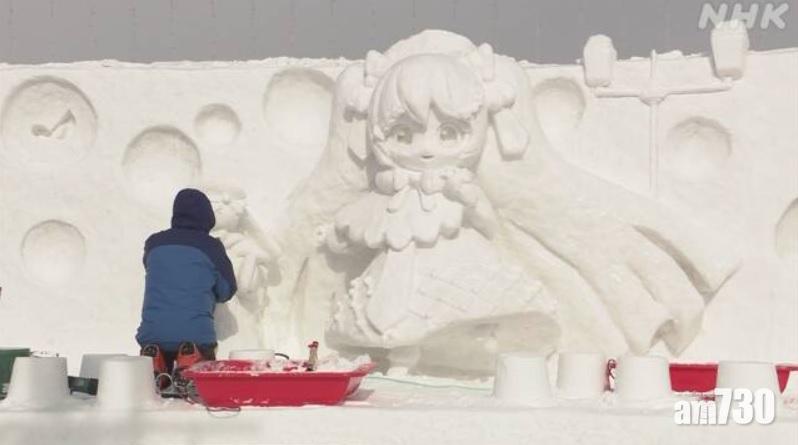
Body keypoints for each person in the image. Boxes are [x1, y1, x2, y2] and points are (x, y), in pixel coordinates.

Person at [136, 188, 237, 378]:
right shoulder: (211, 246)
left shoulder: (154, 243)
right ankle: (190, 357)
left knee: (156, 348)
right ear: (207, 218)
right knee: (200, 379)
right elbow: (227, 289)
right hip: (197, 334)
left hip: (152, 332)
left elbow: (150, 268)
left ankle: (154, 357)